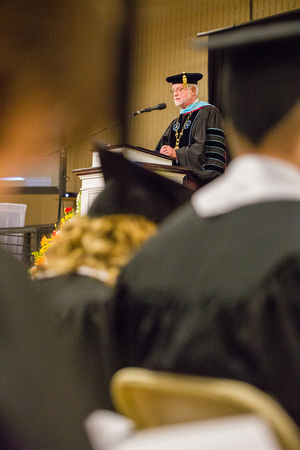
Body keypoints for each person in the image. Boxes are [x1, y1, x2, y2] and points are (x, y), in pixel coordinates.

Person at [112, 19, 300, 426]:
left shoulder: (144, 261)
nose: (176, 94)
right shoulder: (290, 259)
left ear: (231, 125)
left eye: (180, 89)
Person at [155, 71, 227, 189]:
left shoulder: (208, 112)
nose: (175, 94)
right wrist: (162, 152)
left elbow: (207, 148)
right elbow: (159, 151)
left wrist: (177, 154)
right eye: (173, 91)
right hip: (177, 184)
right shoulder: (175, 123)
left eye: (180, 89)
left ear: (193, 90)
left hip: (202, 184)